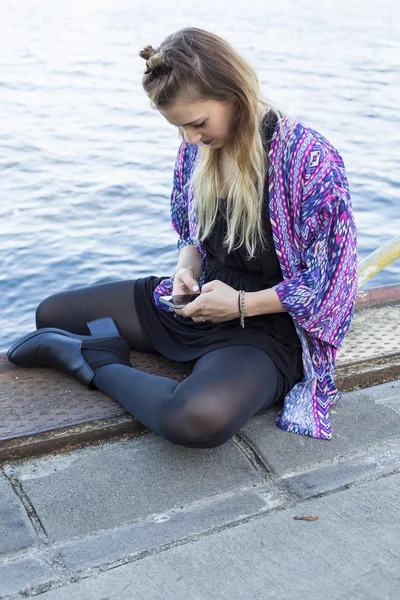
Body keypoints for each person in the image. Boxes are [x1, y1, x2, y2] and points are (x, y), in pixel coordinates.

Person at [7, 27, 358, 445]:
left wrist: (242, 304)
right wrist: (185, 269)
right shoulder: (198, 146)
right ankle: (106, 351)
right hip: (202, 302)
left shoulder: (308, 160)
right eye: (181, 129)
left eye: (197, 123)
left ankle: (95, 361)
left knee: (195, 419)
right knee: (54, 313)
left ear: (234, 93)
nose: (192, 139)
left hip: (268, 326)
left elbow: (334, 285)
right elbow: (191, 234)